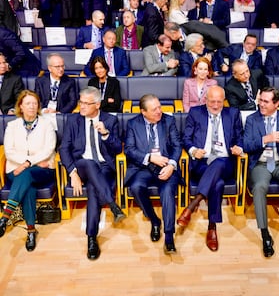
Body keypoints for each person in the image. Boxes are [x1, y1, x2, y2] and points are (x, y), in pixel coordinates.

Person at [60, 86, 125, 260]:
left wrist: (105, 134)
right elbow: (64, 148)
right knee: (88, 163)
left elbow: (118, 149)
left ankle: (91, 238)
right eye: (80, 102)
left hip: (104, 166)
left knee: (94, 193)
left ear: (97, 105)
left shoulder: (110, 120)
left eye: (86, 104)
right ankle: (113, 205)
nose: (81, 106)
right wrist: (72, 173)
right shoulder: (73, 120)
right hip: (81, 165)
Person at [177, 85, 244, 251]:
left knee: (220, 162)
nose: (215, 105)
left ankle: (192, 206)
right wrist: (193, 150)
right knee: (218, 184)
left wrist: (239, 148)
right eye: (212, 101)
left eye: (219, 102)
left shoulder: (233, 113)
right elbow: (186, 138)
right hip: (202, 162)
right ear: (205, 100)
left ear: (224, 101)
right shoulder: (195, 112)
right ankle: (212, 227)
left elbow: (240, 137)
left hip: (225, 162)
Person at [243, 87, 279, 257]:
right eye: (260, 100)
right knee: (260, 186)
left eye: (265, 101)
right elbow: (246, 146)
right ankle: (265, 234)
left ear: (276, 104)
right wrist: (266, 139)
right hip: (261, 164)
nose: (261, 104)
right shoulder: (252, 119)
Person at [124, 94, 182, 254]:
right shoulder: (133, 124)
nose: (159, 111)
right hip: (143, 167)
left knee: (168, 192)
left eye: (159, 107)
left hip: (165, 166)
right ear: (144, 112)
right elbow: (129, 150)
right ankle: (155, 220)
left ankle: (169, 236)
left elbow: (177, 146)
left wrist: (171, 164)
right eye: (154, 109)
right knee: (136, 187)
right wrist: (150, 157)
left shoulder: (168, 121)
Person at [0, 90, 56, 251]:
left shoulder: (47, 125)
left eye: (35, 103)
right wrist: (28, 163)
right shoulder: (12, 126)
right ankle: (31, 230)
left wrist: (26, 163)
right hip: (17, 168)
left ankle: (5, 217)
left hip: (41, 170)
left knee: (26, 175)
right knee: (28, 186)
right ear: (20, 107)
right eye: (28, 104)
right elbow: (9, 151)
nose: (32, 107)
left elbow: (48, 149)